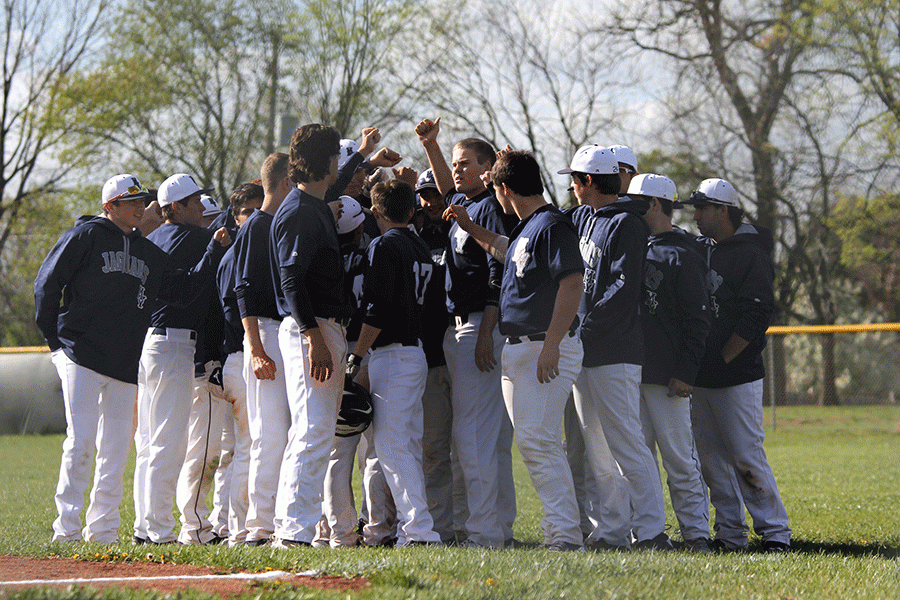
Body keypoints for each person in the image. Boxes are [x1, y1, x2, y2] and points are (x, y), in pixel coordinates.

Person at [35, 174, 228, 543]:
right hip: (81, 356)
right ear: (110, 207)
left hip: (125, 363)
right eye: (131, 201)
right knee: (80, 443)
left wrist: (213, 253)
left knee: (116, 450)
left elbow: (183, 291)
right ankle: (67, 529)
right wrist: (55, 345)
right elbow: (47, 283)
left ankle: (104, 529)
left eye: (143, 200)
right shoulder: (84, 237)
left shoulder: (148, 252)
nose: (140, 206)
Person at [456, 149, 585, 551]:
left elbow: (572, 282)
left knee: (539, 440)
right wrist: (471, 227)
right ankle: (559, 531)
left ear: (505, 189)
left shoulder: (552, 225)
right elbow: (505, 248)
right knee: (533, 442)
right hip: (521, 350)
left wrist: (551, 343)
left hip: (544, 346)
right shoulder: (530, 227)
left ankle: (566, 535)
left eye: (496, 190)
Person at [563, 145, 671, 550]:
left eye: (574, 179)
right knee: (597, 449)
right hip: (586, 351)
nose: (571, 187)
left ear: (589, 181)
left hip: (616, 351)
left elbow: (622, 287)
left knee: (627, 442)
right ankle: (611, 531)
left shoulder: (627, 223)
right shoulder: (585, 219)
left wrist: (583, 329)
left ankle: (651, 531)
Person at [415, 117, 516, 548]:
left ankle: (484, 532)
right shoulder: (465, 203)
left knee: (473, 435)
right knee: (484, 438)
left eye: (467, 163)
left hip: (479, 324)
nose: (458, 170)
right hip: (462, 328)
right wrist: (431, 146)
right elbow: (446, 185)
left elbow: (499, 272)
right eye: (455, 163)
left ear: (489, 169)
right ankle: (494, 527)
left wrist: (486, 332)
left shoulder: (491, 208)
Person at [683, 177, 792, 553]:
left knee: (745, 454)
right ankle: (730, 534)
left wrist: (724, 357)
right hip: (702, 376)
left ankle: (776, 533)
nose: (695, 215)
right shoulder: (698, 248)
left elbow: (756, 314)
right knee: (710, 460)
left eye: (701, 208)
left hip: (737, 376)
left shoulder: (750, 252)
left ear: (722, 210)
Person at [133, 173, 230, 545]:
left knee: (151, 442)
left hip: (152, 344)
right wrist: (214, 250)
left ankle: (146, 527)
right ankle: (157, 530)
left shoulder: (153, 237)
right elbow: (191, 292)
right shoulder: (195, 239)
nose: (200, 206)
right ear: (176, 207)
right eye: (193, 201)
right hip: (173, 344)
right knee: (168, 443)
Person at [346, 179, 442, 547]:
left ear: (376, 211)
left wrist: (356, 357)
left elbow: (378, 309)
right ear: (411, 209)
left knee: (391, 447)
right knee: (405, 444)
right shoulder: (418, 243)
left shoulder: (384, 245)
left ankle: (419, 530)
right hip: (412, 352)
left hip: (392, 354)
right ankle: (410, 528)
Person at [270, 124, 352, 547]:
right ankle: (294, 530)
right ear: (327, 161)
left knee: (312, 429)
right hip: (312, 327)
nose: (339, 162)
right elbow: (290, 278)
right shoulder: (301, 208)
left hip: (319, 327)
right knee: (313, 430)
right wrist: (313, 336)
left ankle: (295, 527)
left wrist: (366, 155)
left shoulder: (312, 203)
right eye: (336, 155)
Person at [629, 173, 713, 552]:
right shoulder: (630, 244)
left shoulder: (682, 251)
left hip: (668, 376)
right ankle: (647, 533)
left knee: (679, 458)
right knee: (639, 459)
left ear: (654, 204)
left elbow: (699, 319)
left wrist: (686, 372)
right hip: (631, 371)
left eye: (635, 203)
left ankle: (696, 534)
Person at [233, 153, 294, 546]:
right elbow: (243, 290)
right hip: (265, 333)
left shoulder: (280, 221)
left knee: (284, 434)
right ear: (286, 179)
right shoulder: (256, 225)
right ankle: (259, 526)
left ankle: (274, 520)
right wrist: (256, 349)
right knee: (269, 434)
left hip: (282, 331)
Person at [214, 182, 265, 546]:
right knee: (248, 447)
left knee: (241, 448)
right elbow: (234, 314)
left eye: (260, 208)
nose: (255, 215)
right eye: (248, 210)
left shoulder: (244, 250)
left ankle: (233, 526)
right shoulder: (236, 256)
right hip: (240, 355)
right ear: (235, 217)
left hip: (242, 357)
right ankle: (239, 529)